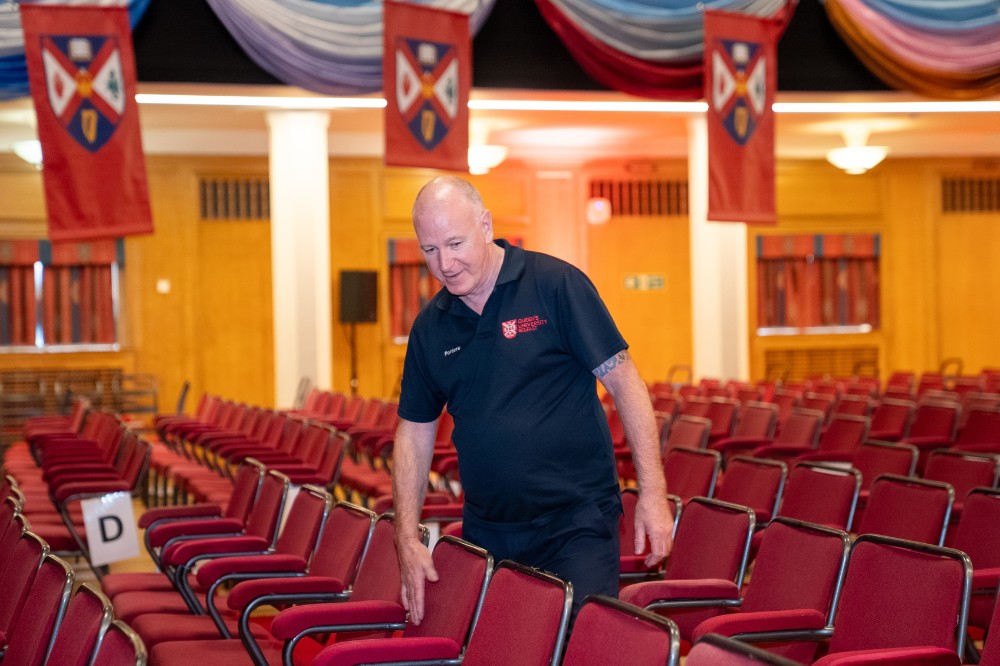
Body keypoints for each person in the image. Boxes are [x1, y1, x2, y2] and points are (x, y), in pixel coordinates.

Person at [393, 176, 672, 624]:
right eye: (429, 250)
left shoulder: (555, 285)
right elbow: (414, 428)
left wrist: (654, 495)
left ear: (485, 225)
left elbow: (626, 384)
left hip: (576, 523)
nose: (444, 263)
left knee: (578, 647)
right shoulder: (431, 327)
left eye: (455, 243)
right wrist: (405, 534)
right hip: (491, 530)